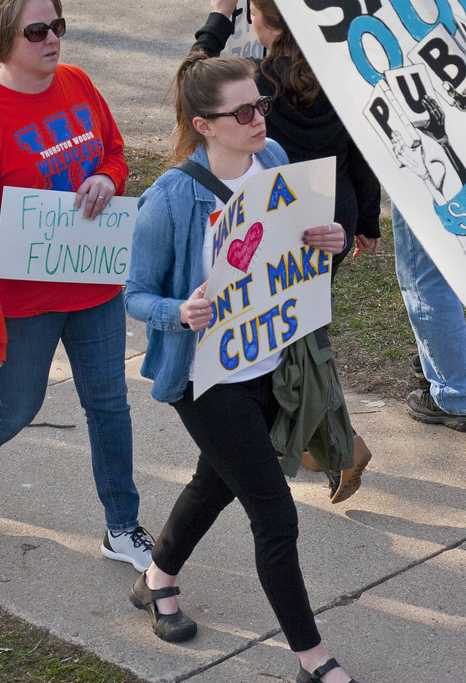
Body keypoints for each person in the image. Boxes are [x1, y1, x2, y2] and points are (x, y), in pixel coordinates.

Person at [125, 53, 358, 683]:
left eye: (262, 103)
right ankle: (313, 658)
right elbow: (134, 293)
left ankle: (157, 579)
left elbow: (297, 242)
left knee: (216, 481)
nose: (261, 118)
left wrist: (329, 239)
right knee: (275, 515)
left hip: (271, 362)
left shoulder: (276, 160)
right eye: (245, 111)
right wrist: (182, 310)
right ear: (204, 125)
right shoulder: (171, 198)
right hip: (205, 379)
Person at [0, 0, 153, 572]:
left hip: (92, 283)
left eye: (58, 25)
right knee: (15, 407)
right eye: (37, 30)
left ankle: (122, 527)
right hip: (24, 300)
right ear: (2, 37)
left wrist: (108, 176)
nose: (53, 38)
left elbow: (113, 150)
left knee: (109, 404)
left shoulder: (78, 83)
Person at [193, 0, 376, 493]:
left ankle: (338, 441)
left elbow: (193, 81)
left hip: (280, 221)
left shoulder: (258, 85)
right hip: (333, 215)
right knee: (296, 327)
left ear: (261, 20)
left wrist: (217, 18)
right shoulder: (337, 73)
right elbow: (360, 151)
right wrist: (369, 220)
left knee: (286, 336)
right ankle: (316, 442)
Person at [395, 204, 466, 432]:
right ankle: (436, 359)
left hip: (417, 175)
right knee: (443, 264)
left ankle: (453, 395)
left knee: (424, 279)